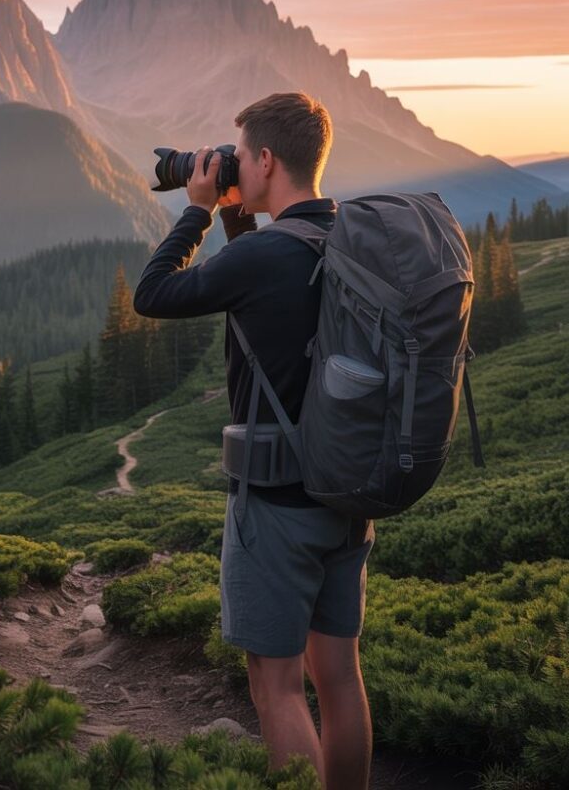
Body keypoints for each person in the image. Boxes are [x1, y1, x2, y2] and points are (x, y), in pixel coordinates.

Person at [133, 93, 373, 789]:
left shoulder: (265, 254)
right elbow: (274, 290)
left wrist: (201, 208)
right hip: (348, 495)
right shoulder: (345, 233)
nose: (231, 165)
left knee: (276, 686)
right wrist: (242, 212)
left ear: (265, 160)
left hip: (275, 502)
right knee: (340, 680)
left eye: (240, 156)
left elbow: (153, 293)